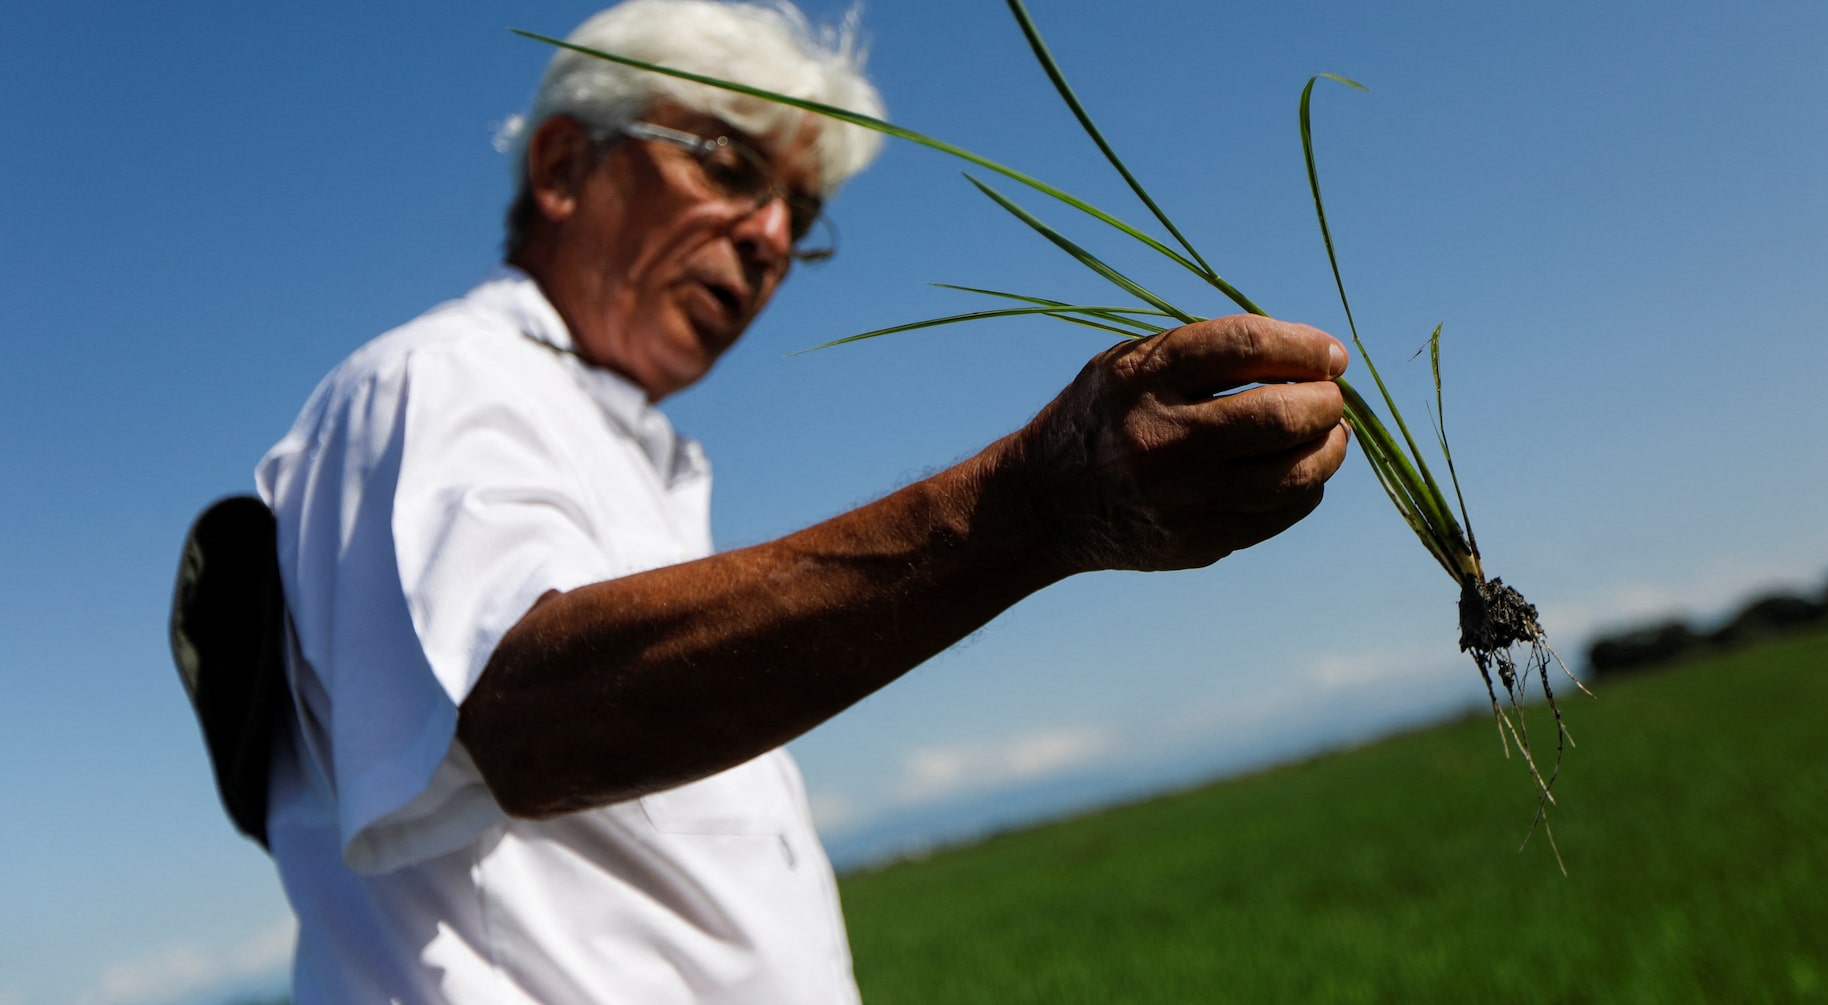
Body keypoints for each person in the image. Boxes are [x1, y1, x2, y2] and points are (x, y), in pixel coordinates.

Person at [253, 1, 1350, 1001]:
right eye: (728, 166)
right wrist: (1028, 511)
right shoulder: (443, 379)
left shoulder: (634, 452)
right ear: (561, 167)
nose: (772, 239)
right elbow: (530, 720)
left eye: (800, 211)